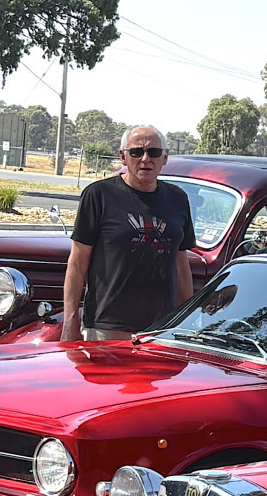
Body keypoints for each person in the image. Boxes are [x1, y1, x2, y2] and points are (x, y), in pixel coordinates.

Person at [62, 124, 196, 341]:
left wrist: (186, 321)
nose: (145, 159)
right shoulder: (98, 196)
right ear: (123, 157)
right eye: (136, 152)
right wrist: (70, 323)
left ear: (165, 157)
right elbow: (77, 264)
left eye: (153, 152)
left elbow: (181, 265)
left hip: (161, 331)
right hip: (108, 329)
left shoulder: (178, 199)